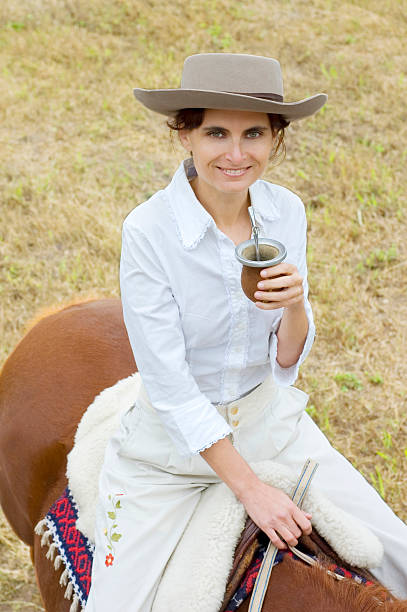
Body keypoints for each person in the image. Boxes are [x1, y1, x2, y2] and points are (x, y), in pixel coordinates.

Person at [85, 53, 407, 610]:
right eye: (216, 132)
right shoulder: (148, 231)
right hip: (168, 456)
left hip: (269, 425)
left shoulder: (286, 211)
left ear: (276, 139)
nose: (236, 155)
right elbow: (169, 385)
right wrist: (252, 489)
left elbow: (285, 362)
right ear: (184, 134)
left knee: (398, 554)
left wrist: (296, 304)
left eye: (253, 133)